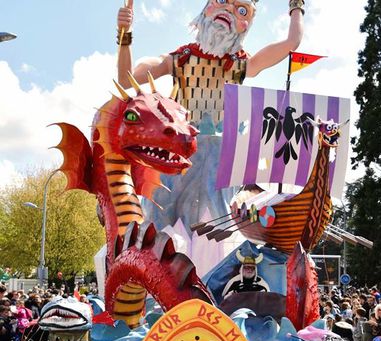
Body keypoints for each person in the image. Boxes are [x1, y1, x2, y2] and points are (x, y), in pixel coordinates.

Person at [116, 0, 305, 231]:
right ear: (206, 7)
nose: (228, 10)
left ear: (247, 25)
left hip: (219, 160)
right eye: (222, 1)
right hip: (178, 154)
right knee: (156, 222)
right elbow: (127, 78)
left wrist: (296, 6)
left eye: (241, 10)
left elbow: (292, 42)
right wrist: (125, 35)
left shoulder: (242, 64)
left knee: (214, 226)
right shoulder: (179, 59)